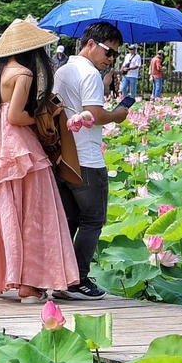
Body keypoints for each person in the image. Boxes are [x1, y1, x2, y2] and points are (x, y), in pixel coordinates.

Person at [0, 19, 80, 302]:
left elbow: (0, 113)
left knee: (3, 215)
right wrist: (45, 118)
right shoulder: (24, 73)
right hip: (20, 145)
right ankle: (30, 284)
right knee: (36, 215)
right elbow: (15, 116)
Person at [53, 21, 130, 300]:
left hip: (64, 158)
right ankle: (78, 279)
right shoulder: (89, 74)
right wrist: (117, 114)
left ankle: (61, 277)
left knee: (69, 219)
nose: (111, 59)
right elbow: (95, 115)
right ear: (90, 44)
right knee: (93, 220)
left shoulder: (62, 71)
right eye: (109, 52)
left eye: (115, 56)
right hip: (87, 158)